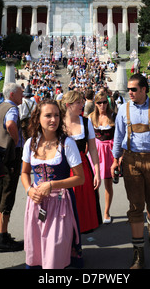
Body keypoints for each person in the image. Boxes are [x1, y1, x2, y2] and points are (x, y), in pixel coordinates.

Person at [111, 74, 150, 269]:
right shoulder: (123, 108)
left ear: (144, 89)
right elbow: (118, 135)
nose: (130, 92)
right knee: (136, 205)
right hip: (130, 161)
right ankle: (138, 253)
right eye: (129, 89)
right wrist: (115, 160)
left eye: (134, 89)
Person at [21, 100, 84, 269]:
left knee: (55, 251)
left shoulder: (67, 144)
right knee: (37, 248)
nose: (53, 120)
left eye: (56, 115)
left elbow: (80, 178)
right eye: (48, 115)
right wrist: (28, 190)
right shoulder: (30, 143)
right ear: (38, 118)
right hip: (36, 203)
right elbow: (25, 173)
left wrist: (52, 185)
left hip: (60, 204)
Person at [0, 83, 24, 252]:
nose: (22, 95)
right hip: (10, 157)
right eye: (21, 93)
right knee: (7, 195)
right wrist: (14, 141)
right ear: (13, 94)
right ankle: (3, 237)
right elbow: (10, 125)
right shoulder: (12, 108)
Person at [60, 90, 102, 234]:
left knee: (83, 204)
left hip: (82, 167)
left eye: (82, 101)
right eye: (78, 102)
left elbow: (93, 149)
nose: (82, 105)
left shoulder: (85, 122)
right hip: (63, 168)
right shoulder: (58, 123)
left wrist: (97, 172)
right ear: (68, 105)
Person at [88, 91, 116, 224]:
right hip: (96, 151)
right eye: (99, 103)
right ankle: (97, 211)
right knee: (95, 183)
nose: (102, 105)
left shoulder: (113, 116)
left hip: (109, 150)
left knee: (108, 183)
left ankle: (106, 211)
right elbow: (88, 139)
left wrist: (118, 156)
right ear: (95, 104)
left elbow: (118, 136)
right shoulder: (91, 117)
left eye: (105, 102)